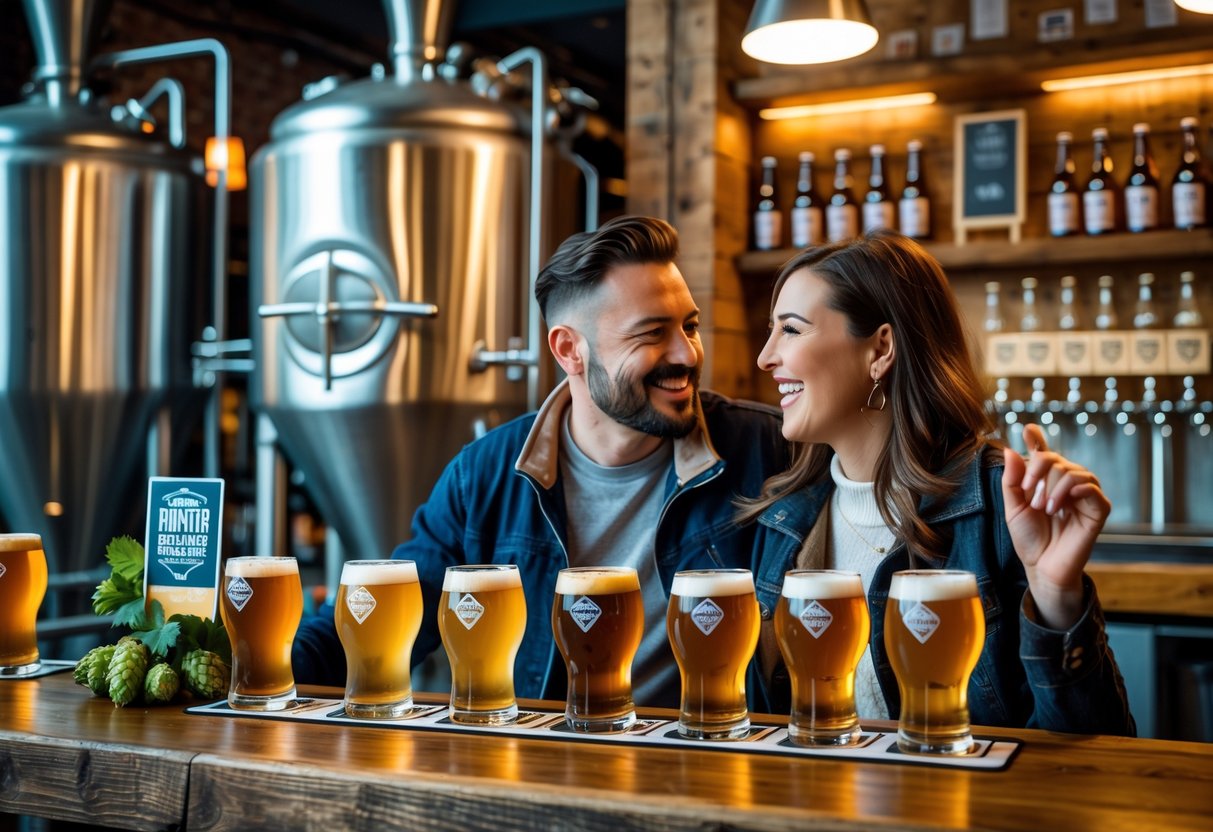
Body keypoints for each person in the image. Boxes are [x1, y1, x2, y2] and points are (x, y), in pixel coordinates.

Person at [292, 216, 790, 707]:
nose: (686, 353)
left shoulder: (766, 448)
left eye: (690, 325)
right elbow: (381, 624)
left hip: (707, 759)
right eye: (652, 334)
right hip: (538, 764)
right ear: (570, 349)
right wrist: (260, 665)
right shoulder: (484, 475)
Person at [741, 229, 1134, 736]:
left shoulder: (999, 503)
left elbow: (1095, 755)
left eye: (790, 331)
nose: (765, 357)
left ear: (880, 348)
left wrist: (1057, 600)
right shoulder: (785, 520)